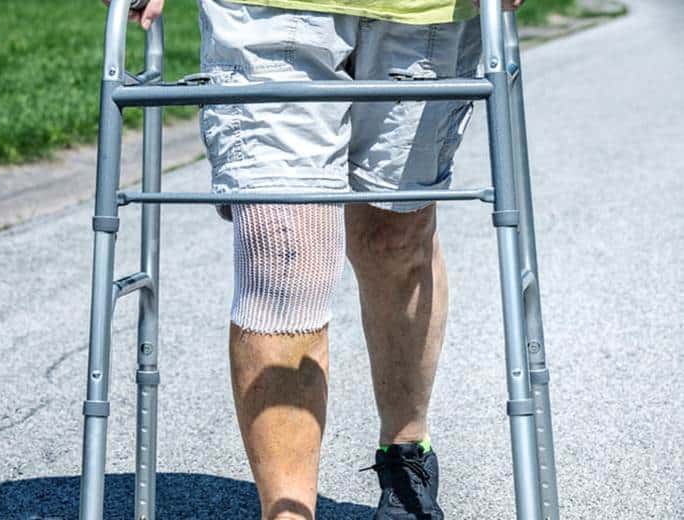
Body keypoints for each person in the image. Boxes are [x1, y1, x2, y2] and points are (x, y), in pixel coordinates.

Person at [111, 0, 523, 518]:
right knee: (282, 256)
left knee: (394, 238)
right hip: (264, 11)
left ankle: (406, 451)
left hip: (424, 12)